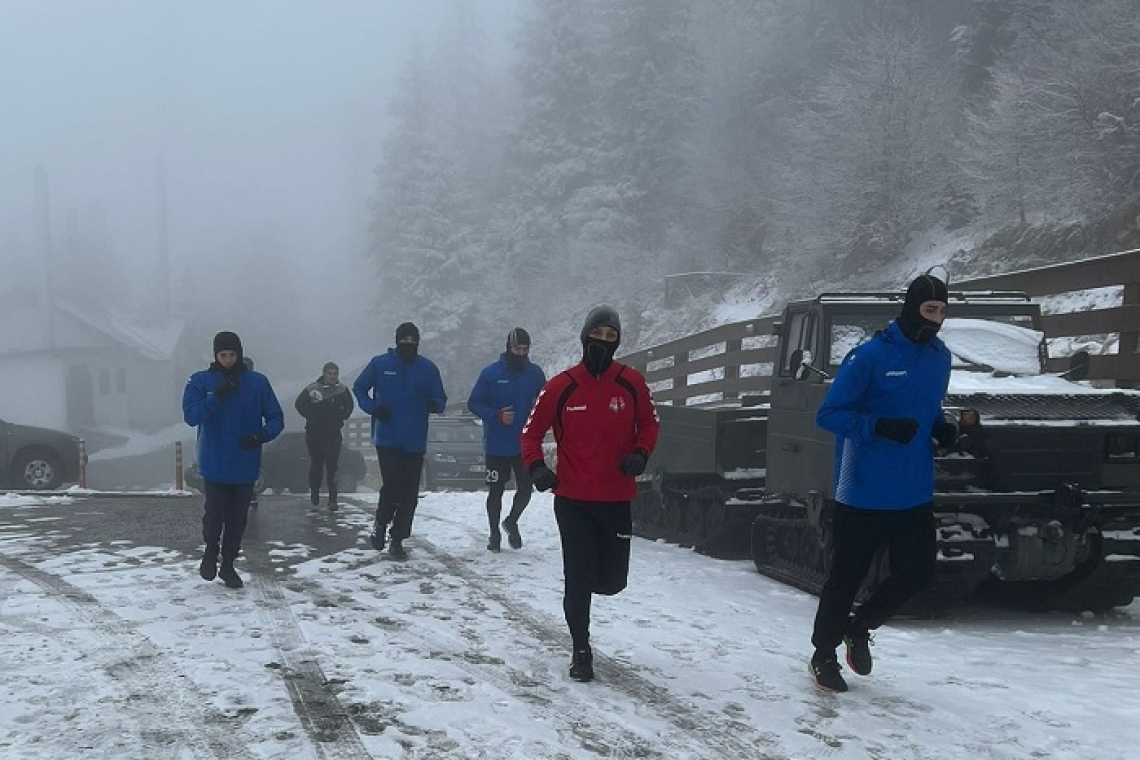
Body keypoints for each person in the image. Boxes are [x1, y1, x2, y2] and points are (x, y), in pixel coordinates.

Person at [809, 274, 956, 693]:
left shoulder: (940, 357)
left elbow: (930, 407)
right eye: (929, 310)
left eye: (942, 312)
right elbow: (829, 415)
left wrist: (941, 426)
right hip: (862, 490)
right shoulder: (868, 357)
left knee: (919, 573)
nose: (936, 319)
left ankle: (859, 626)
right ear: (911, 308)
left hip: (914, 490)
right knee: (846, 577)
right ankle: (823, 655)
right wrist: (879, 426)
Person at [521, 305, 659, 682]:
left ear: (618, 342)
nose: (602, 342)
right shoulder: (561, 386)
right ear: (584, 338)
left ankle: (587, 586)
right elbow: (530, 433)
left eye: (610, 337)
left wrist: (641, 453)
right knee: (578, 578)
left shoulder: (631, 382)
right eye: (596, 335)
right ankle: (581, 650)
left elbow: (649, 424)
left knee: (613, 582)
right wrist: (536, 467)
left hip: (616, 499)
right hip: (573, 501)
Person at [183, 331, 284, 589]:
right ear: (215, 355)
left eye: (232, 354)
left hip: (244, 463)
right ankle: (210, 551)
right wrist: (216, 397)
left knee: (237, 519)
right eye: (223, 355)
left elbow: (276, 418)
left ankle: (228, 565)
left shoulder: (257, 383)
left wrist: (261, 435)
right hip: (214, 462)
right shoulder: (201, 381)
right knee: (214, 515)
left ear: (239, 354)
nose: (228, 359)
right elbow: (191, 416)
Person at [352, 322, 447, 559]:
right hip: (388, 437)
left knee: (410, 494)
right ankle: (381, 523)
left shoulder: (427, 368)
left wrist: (434, 405)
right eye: (404, 340)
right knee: (393, 486)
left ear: (418, 342)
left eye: (412, 340)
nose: (408, 344)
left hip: (415, 439)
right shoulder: (380, 364)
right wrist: (373, 408)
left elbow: (440, 398)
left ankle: (398, 539)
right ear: (397, 341)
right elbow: (359, 388)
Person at [467, 328, 547, 552]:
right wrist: (496, 415)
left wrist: (538, 414)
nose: (520, 354)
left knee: (526, 489)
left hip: (524, 444)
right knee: (496, 491)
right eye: (517, 349)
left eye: (525, 349)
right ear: (508, 348)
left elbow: (545, 400)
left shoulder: (535, 374)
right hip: (496, 444)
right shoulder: (490, 373)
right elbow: (474, 403)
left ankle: (511, 521)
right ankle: (494, 533)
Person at [295, 361, 355, 511]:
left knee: (332, 466)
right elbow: (299, 405)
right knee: (317, 464)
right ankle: (315, 491)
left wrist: (341, 415)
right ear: (324, 374)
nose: (333, 377)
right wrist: (313, 415)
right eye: (330, 374)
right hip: (314, 433)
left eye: (335, 374)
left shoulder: (342, 390)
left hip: (333, 433)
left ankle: (333, 499)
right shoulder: (312, 389)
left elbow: (349, 406)